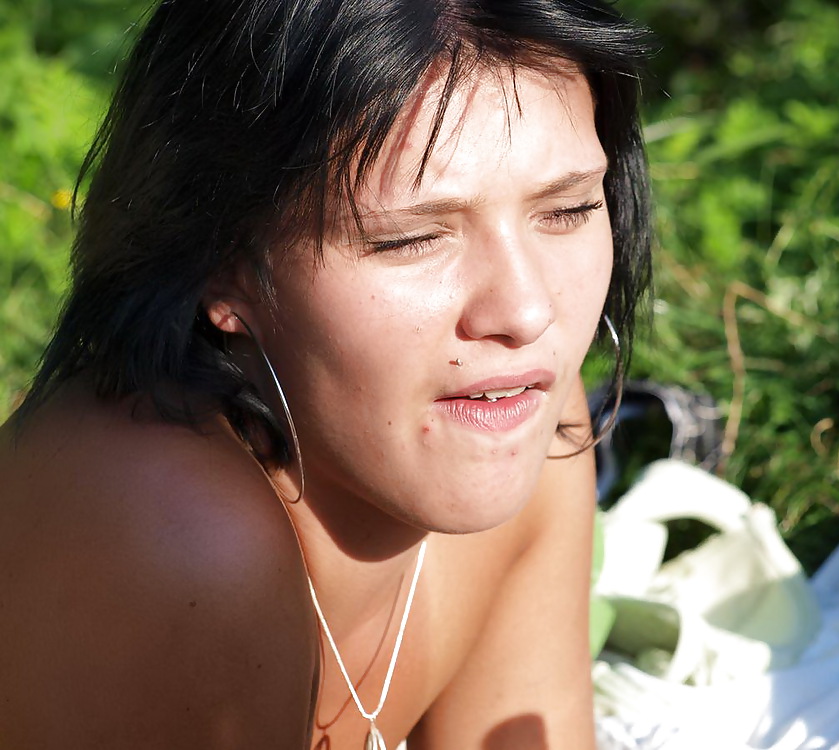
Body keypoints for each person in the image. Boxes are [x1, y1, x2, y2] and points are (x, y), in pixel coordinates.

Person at [0, 0, 651, 747]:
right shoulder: (176, 542)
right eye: (410, 240)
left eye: (566, 210)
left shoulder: (526, 426)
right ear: (223, 262)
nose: (527, 311)